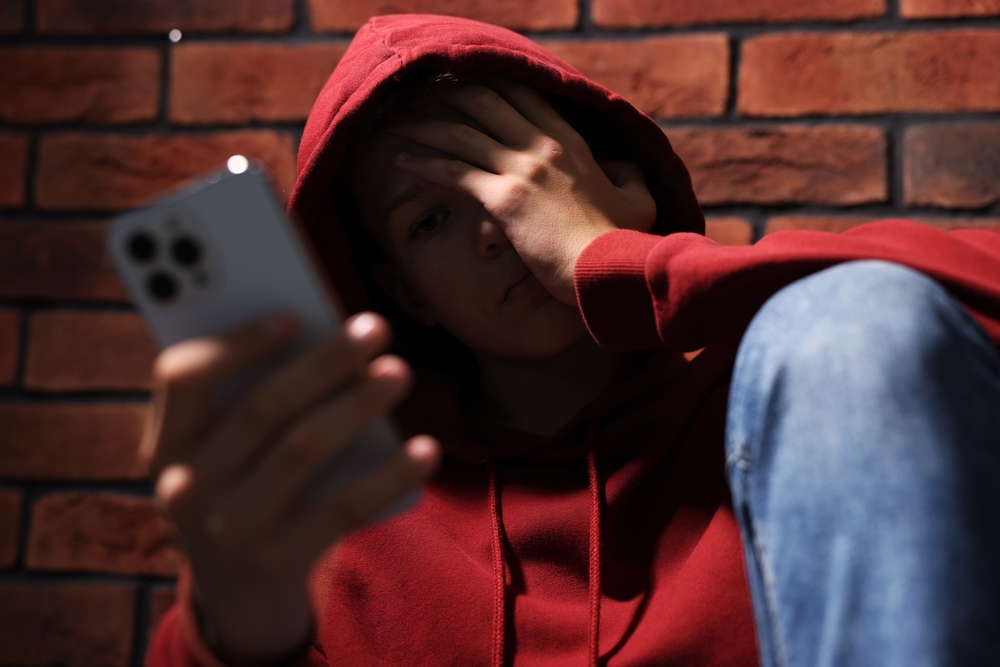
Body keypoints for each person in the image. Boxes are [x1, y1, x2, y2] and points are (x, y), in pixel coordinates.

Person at [146, 14, 1000, 667]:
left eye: (511, 167)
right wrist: (236, 626)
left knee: (849, 328)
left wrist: (615, 258)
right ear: (407, 292)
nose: (491, 225)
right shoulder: (355, 514)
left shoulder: (787, 416)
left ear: (596, 173)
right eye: (433, 218)